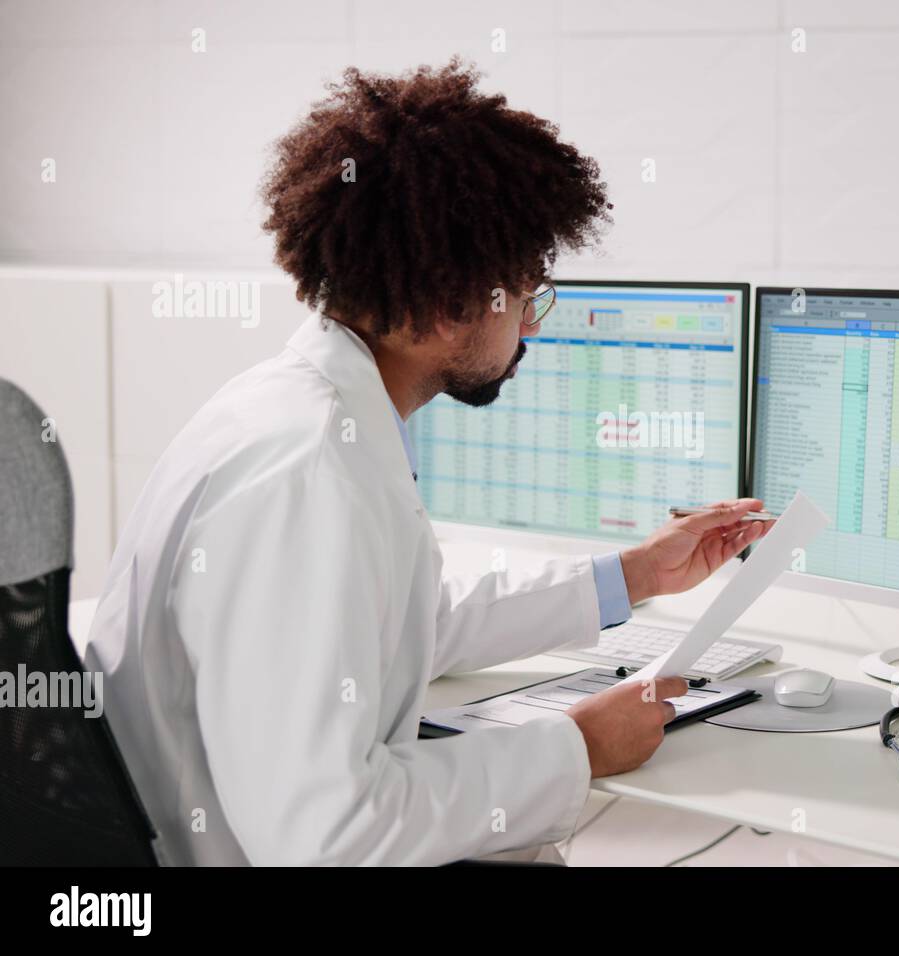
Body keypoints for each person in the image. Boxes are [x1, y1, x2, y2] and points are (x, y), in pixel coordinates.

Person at [85, 61, 768, 865]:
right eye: (525, 297)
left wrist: (636, 575)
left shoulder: (302, 412)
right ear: (451, 307)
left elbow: (406, 626)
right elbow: (326, 835)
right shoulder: (310, 472)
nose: (532, 327)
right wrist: (577, 746)